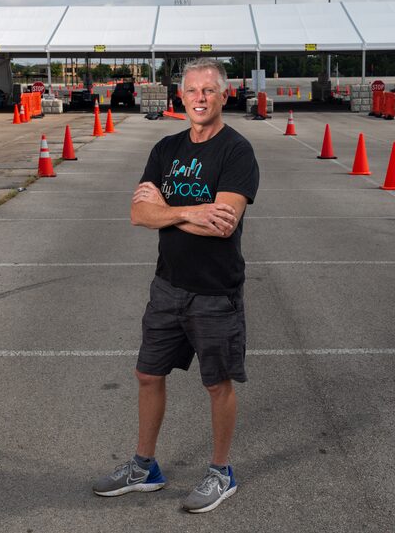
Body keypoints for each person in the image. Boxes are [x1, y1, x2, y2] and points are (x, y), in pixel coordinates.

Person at [92, 57, 260, 513]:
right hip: (167, 286)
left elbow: (223, 224)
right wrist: (188, 211)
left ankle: (221, 472)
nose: (200, 98)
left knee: (217, 384)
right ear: (180, 97)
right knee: (148, 374)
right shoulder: (165, 149)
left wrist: (166, 210)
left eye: (209, 90)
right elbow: (137, 213)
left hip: (214, 290)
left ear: (224, 95)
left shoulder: (236, 151)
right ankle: (144, 467)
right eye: (192, 90)